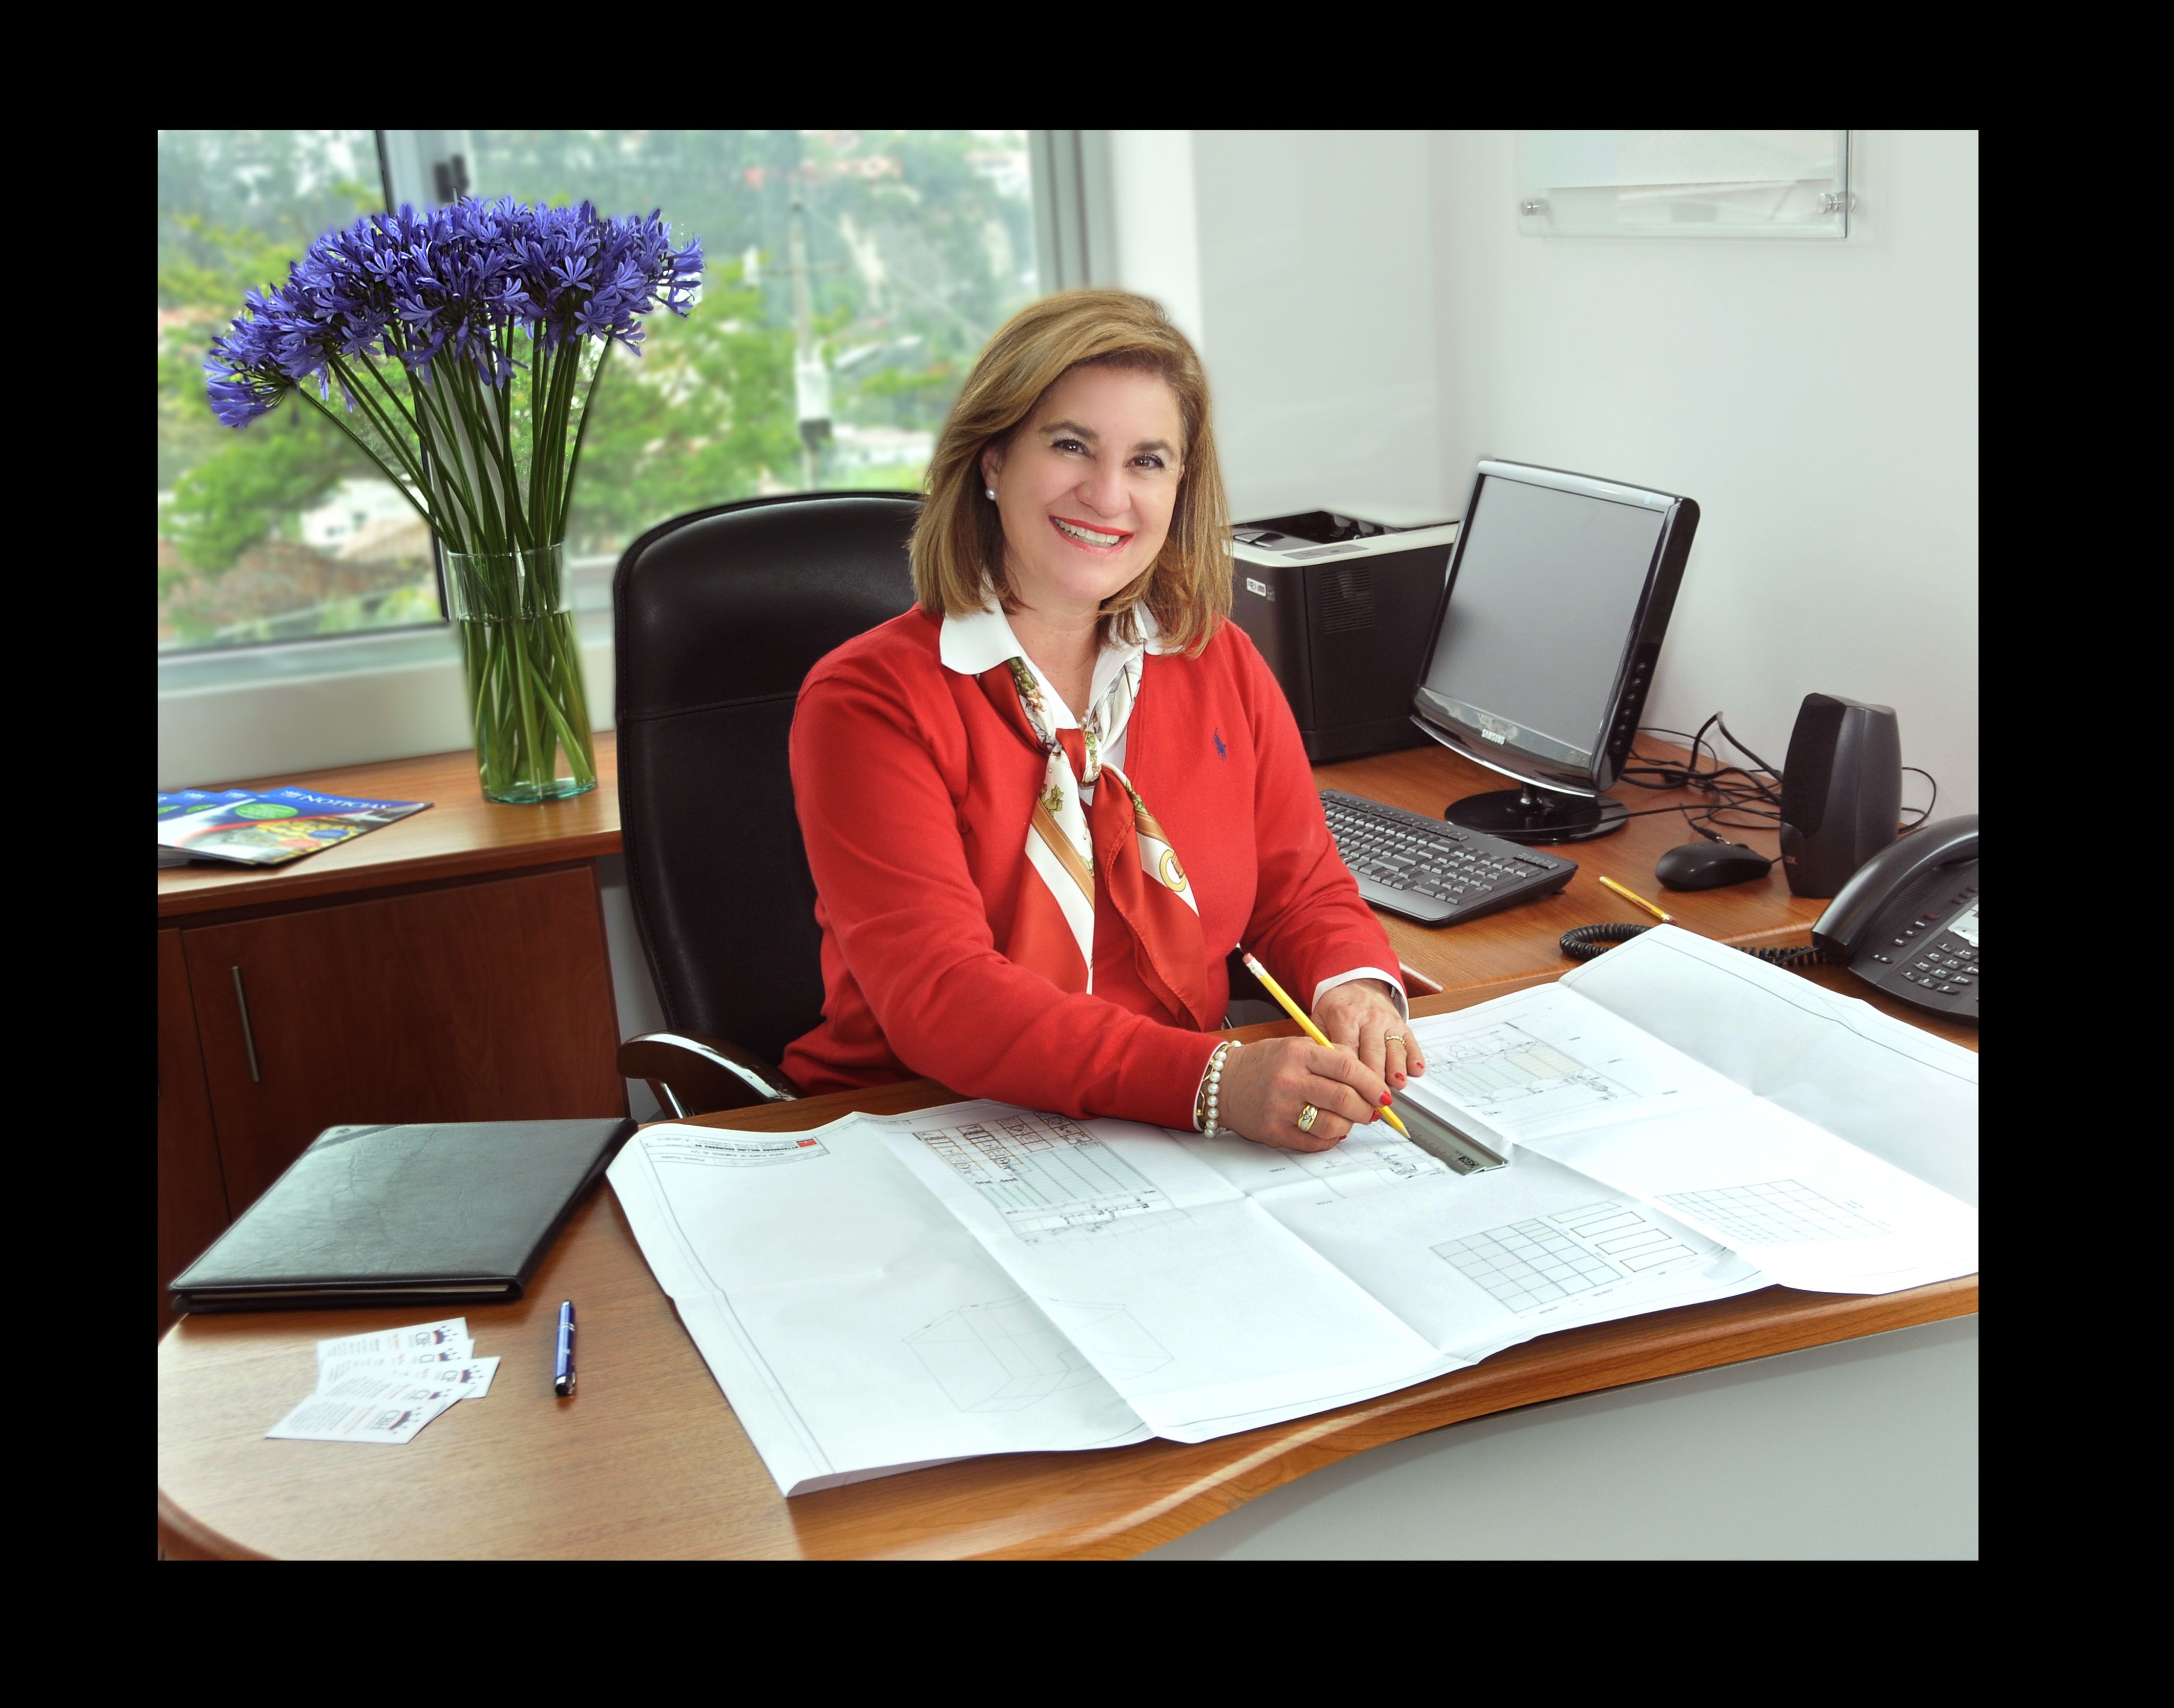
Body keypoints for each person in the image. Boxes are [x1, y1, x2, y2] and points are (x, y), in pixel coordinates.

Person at [783, 289, 1428, 1152]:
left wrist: (1355, 987)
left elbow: (1303, 890)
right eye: (1071, 445)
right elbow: (943, 997)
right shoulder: (870, 700)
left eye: (1149, 460)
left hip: (1159, 1141)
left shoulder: (1217, 660)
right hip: (920, 1129)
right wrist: (1210, 1084)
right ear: (992, 459)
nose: (1108, 494)